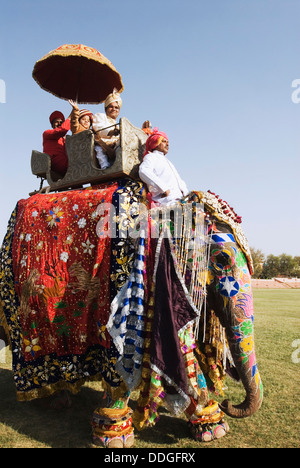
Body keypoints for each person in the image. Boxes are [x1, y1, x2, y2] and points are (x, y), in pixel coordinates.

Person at [139, 128, 189, 206]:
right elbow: (144, 171)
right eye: (164, 141)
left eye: (168, 142)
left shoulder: (168, 162)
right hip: (166, 201)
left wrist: (187, 195)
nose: (167, 144)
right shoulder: (151, 157)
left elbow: (180, 182)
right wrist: (163, 188)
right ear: (155, 143)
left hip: (179, 199)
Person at [92, 90, 122, 169]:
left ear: (118, 111)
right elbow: (99, 128)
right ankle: (105, 167)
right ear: (106, 109)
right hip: (102, 144)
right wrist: (112, 132)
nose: (114, 109)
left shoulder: (119, 125)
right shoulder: (100, 116)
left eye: (116, 107)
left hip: (115, 147)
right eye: (111, 106)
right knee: (99, 149)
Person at [43, 110, 71, 177]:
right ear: (52, 124)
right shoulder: (47, 133)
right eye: (56, 122)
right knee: (75, 165)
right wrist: (70, 117)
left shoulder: (65, 139)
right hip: (54, 162)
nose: (59, 124)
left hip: (65, 162)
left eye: (61, 122)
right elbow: (62, 130)